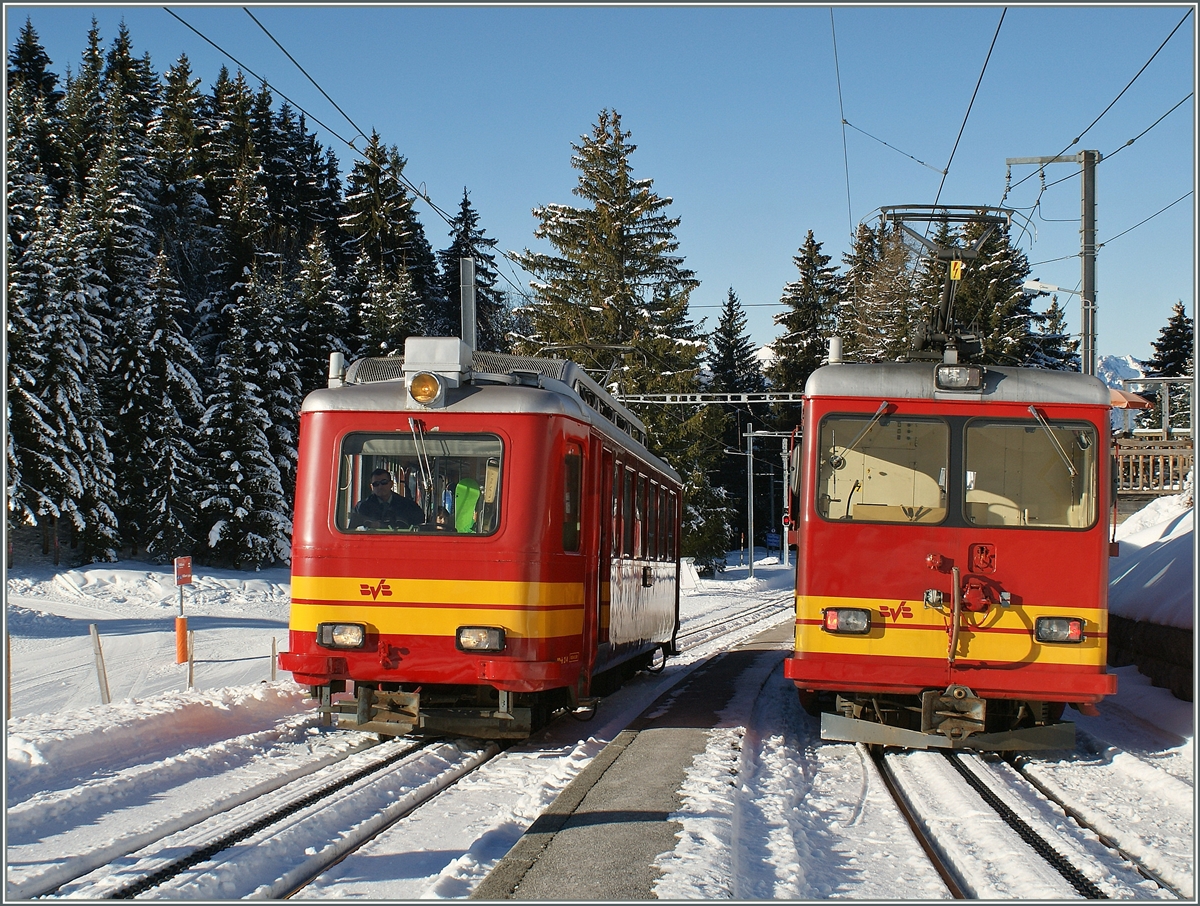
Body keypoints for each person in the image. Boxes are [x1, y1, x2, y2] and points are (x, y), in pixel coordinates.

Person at [351, 468, 425, 530]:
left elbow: (420, 527)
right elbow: (352, 531)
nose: (380, 487)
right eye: (376, 484)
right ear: (371, 487)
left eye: (384, 482)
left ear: (391, 484)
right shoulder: (362, 507)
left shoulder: (408, 506)